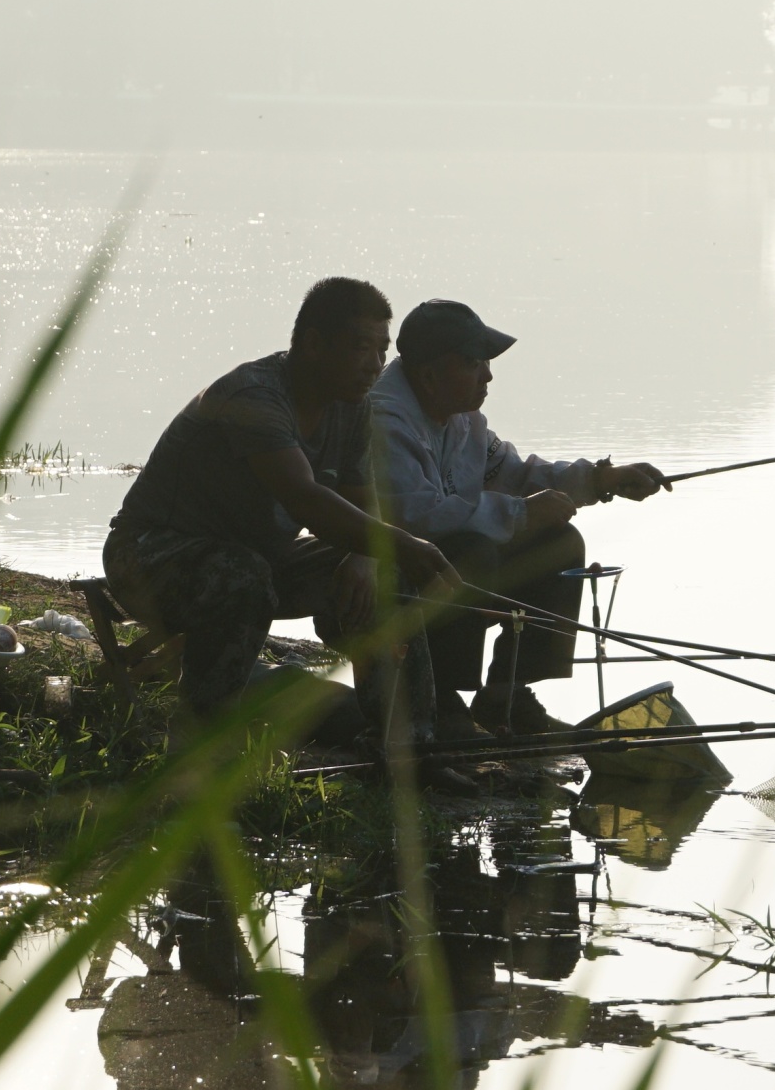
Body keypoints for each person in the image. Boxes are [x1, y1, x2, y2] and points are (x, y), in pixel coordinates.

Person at [102, 277, 468, 785]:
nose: (374, 364)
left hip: (259, 556)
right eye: (362, 347)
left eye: (382, 350)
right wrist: (404, 545)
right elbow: (305, 497)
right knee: (244, 576)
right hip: (147, 556)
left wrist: (367, 558)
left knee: (387, 576)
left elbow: (364, 503)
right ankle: (200, 757)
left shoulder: (353, 406)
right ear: (313, 344)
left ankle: (411, 754)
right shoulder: (252, 396)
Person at [368, 298, 666, 737]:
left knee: (560, 543)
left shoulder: (462, 418)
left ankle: (505, 694)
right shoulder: (385, 420)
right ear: (429, 375)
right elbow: (420, 517)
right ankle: (443, 701)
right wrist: (521, 513)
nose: (488, 375)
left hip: (439, 563)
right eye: (473, 363)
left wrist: (602, 479)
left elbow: (515, 473)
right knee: (469, 550)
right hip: (380, 576)